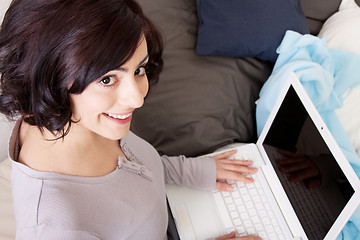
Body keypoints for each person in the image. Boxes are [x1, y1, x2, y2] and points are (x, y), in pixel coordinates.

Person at [0, 0, 260, 239]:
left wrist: (193, 171)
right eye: (107, 79)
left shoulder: (86, 116)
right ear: (49, 80)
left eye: (139, 69)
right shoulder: (55, 227)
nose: (136, 100)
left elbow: (134, 167)